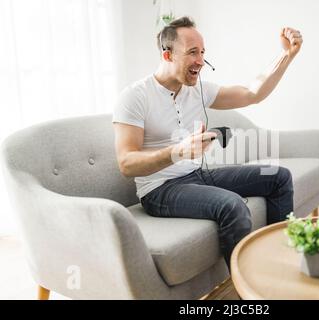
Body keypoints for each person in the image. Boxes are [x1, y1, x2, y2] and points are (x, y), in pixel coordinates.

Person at [113, 16, 302, 269]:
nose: (201, 61)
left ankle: (281, 263)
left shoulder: (197, 89)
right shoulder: (135, 97)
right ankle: (248, 292)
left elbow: (251, 93)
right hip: (159, 189)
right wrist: (178, 152)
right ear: (167, 55)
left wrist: (286, 56)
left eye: (202, 52)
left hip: (196, 175)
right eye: (192, 53)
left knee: (278, 177)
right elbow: (126, 163)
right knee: (232, 205)